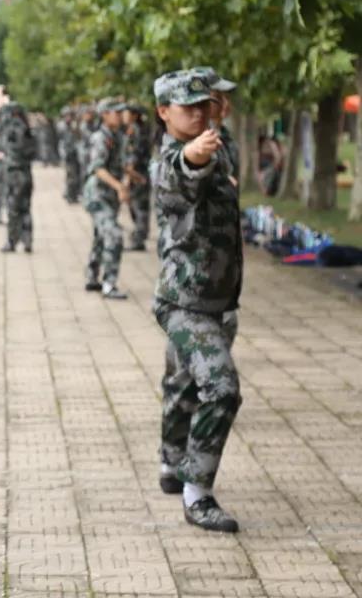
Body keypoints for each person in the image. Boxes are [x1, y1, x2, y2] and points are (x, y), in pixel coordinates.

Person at [151, 69, 243, 533]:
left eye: (204, 105)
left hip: (217, 298)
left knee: (184, 383)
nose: (199, 113)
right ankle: (197, 492)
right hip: (183, 301)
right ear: (164, 112)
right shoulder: (172, 159)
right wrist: (195, 155)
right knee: (221, 388)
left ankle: (171, 462)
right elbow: (184, 173)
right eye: (187, 107)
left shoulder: (218, 146)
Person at [83, 100, 128, 299]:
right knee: (114, 235)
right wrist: (119, 186)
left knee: (101, 236)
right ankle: (109, 284)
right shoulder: (100, 137)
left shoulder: (117, 136)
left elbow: (119, 164)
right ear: (104, 115)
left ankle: (92, 276)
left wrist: (130, 178)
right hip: (98, 195)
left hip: (109, 195)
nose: (120, 115)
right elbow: (98, 168)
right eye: (115, 112)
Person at [0, 103, 36, 252]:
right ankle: (27, 241)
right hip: (26, 171)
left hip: (14, 173)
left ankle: (12, 241)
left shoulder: (11, 128)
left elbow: (4, 147)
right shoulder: (27, 128)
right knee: (25, 208)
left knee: (13, 209)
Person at [122, 104, 152, 251]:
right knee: (140, 206)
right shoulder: (139, 128)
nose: (123, 115)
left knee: (138, 207)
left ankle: (139, 239)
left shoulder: (135, 130)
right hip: (141, 173)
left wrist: (128, 178)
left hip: (137, 175)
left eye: (126, 113)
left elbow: (133, 156)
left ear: (134, 115)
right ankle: (140, 235)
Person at [58, 106, 82, 204]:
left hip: (75, 153)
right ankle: (70, 195)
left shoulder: (73, 126)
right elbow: (60, 142)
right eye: (67, 115)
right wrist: (63, 155)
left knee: (75, 175)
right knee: (71, 176)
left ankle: (73, 194)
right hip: (67, 154)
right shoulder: (61, 126)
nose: (69, 117)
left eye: (70, 115)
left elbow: (78, 138)